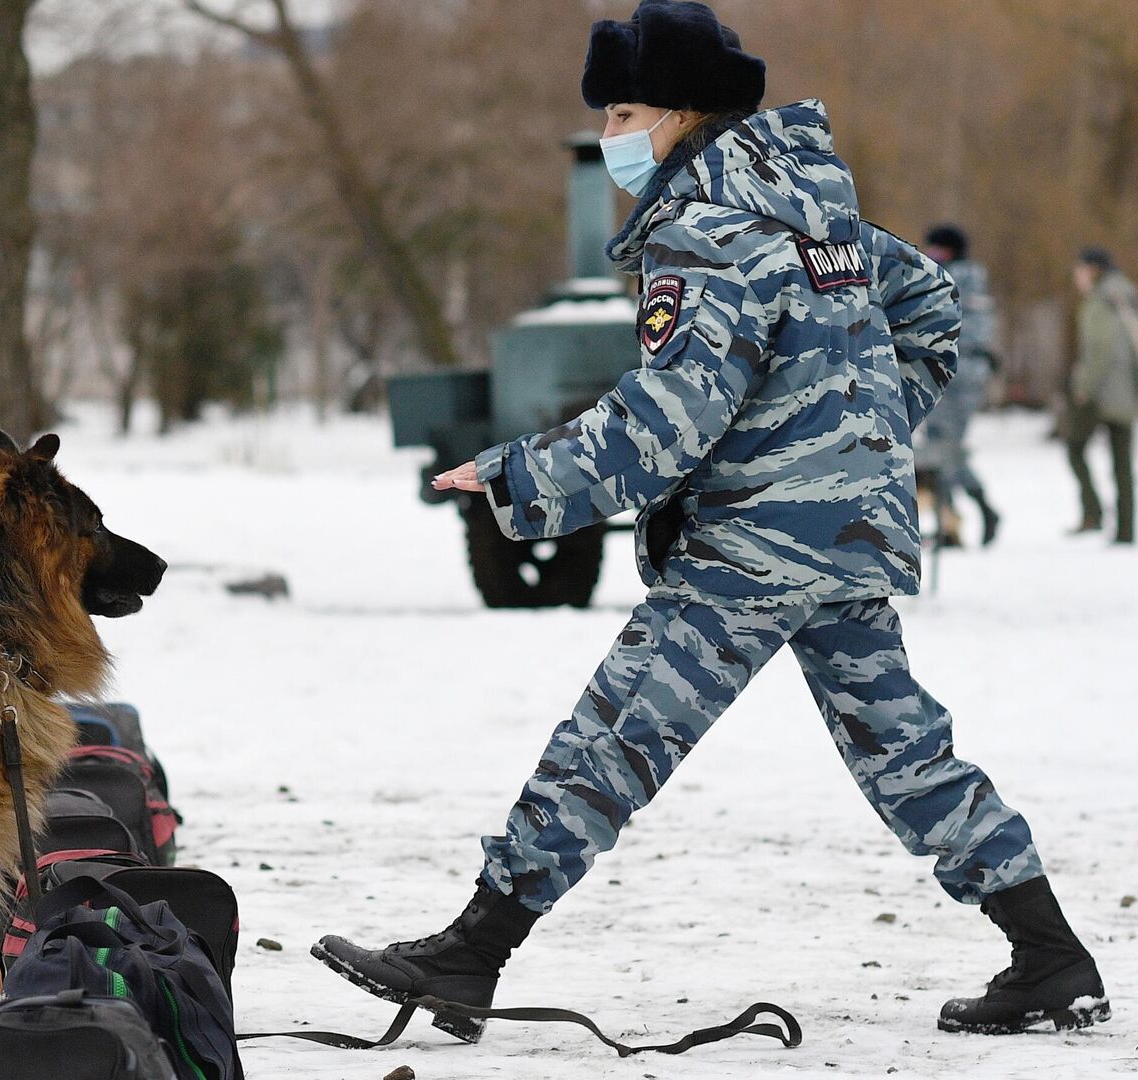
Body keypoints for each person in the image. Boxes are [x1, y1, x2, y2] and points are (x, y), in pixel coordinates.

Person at [314, 0, 1107, 1042]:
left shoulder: (706, 232)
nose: (611, 136)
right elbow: (929, 307)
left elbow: (667, 417)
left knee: (618, 727)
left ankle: (472, 952)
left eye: (626, 110)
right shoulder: (818, 216)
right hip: (841, 532)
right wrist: (858, 440)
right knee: (899, 743)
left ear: (687, 114)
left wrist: (521, 476)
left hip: (759, 544)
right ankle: (1049, 953)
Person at [917, 224, 1002, 547]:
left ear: (947, 250)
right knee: (945, 449)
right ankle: (957, 519)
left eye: (933, 247)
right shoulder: (973, 280)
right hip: (967, 374)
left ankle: (960, 520)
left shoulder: (949, 281)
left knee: (941, 451)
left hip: (952, 374)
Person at [1065, 247, 1137, 545]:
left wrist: (1084, 388)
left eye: (1079, 270)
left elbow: (1100, 349)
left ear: (1092, 270)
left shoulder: (1100, 300)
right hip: (1127, 390)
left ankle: (1093, 513)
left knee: (1075, 447)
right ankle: (1125, 528)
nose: (1076, 277)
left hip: (1103, 392)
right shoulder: (1127, 294)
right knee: (1121, 461)